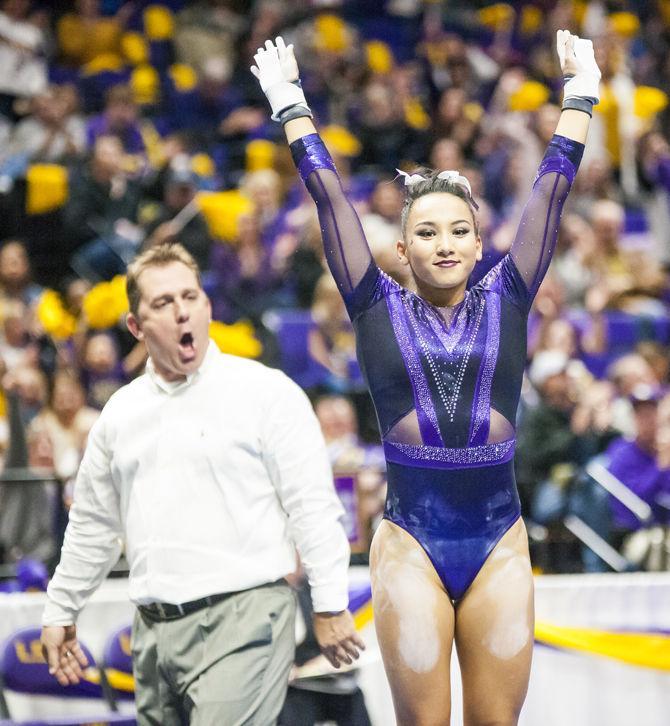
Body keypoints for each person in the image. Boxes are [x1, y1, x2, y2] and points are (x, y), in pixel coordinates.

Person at [252, 31, 599, 725]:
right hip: (412, 539)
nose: (445, 244)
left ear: (479, 241)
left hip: (499, 538)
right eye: (428, 233)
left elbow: (552, 192)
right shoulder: (374, 305)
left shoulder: (510, 295)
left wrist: (581, 92)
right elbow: (329, 201)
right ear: (402, 249)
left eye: (458, 231)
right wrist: (291, 105)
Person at [40, 243, 364, 725]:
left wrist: (331, 603)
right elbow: (93, 526)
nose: (181, 312)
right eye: (162, 303)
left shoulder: (266, 392)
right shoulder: (119, 415)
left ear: (208, 306)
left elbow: (313, 507)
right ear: (135, 326)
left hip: (247, 616)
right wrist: (61, 609)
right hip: (152, 628)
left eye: (189, 297)